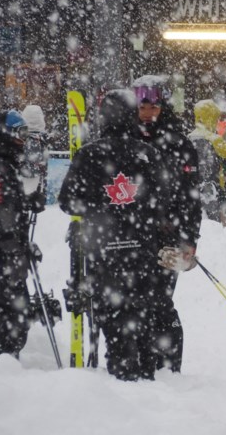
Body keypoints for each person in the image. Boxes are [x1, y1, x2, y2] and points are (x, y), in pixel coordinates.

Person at [58, 90, 170, 381]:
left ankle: (123, 382)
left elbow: (67, 201)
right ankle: (147, 377)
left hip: (104, 253)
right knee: (143, 320)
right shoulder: (148, 153)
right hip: (143, 252)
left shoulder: (90, 153)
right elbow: (164, 201)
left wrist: (98, 207)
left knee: (115, 325)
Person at [132, 75, 203, 373]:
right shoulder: (125, 139)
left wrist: (188, 238)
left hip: (167, 237)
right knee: (133, 302)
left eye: (154, 105)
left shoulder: (178, 143)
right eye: (142, 105)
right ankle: (138, 364)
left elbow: (191, 197)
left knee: (160, 301)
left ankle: (168, 367)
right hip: (130, 236)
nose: (148, 111)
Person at [0, 110, 39, 366]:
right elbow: (1, 206)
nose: (23, 140)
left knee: (9, 304)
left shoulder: (3, 164)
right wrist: (14, 248)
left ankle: (3, 357)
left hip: (5, 250)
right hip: (3, 251)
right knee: (12, 306)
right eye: (19, 133)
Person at [187, 99, 226, 223]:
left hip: (192, 186)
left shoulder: (188, 138)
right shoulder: (215, 139)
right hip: (212, 186)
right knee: (213, 224)